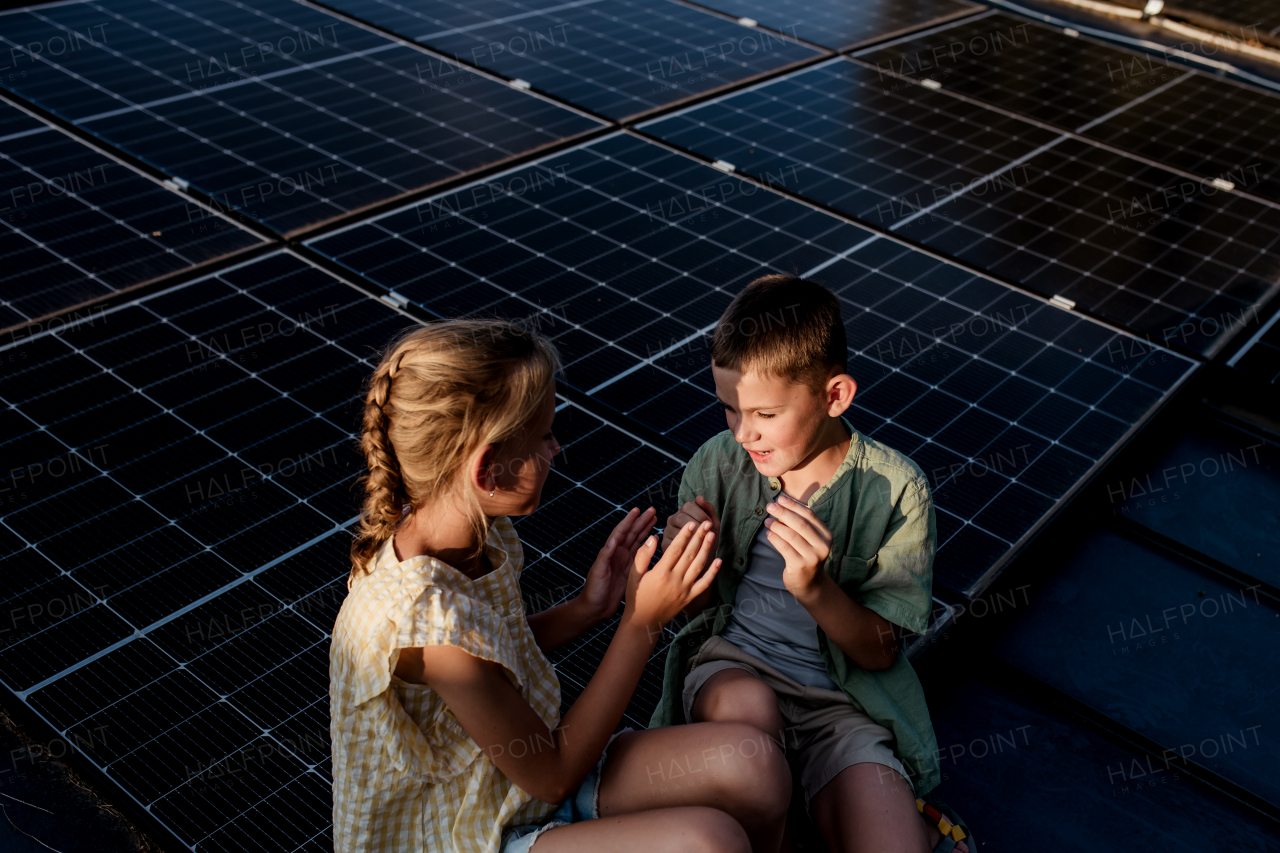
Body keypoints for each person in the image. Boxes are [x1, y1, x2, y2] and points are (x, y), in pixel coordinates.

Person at [329, 319, 793, 853]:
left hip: (509, 789)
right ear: (487, 470)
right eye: (544, 435)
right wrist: (642, 623)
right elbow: (552, 774)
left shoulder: (466, 530)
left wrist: (587, 609)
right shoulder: (420, 618)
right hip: (477, 832)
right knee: (710, 843)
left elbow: (490, 655)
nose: (556, 448)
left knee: (756, 768)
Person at [651, 275, 973, 853]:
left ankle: (815, 803)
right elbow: (694, 613)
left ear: (835, 396)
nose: (743, 432)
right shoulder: (718, 464)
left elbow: (880, 651)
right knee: (748, 715)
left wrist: (816, 588)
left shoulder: (897, 490)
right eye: (728, 409)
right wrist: (688, 562)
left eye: (764, 415)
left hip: (840, 705)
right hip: (734, 668)